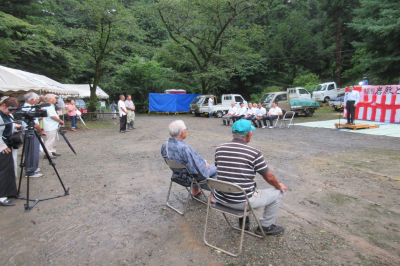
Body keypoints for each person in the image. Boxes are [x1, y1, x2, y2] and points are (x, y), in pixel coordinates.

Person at [214, 119, 287, 235]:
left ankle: (244, 218)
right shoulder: (254, 153)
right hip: (241, 201)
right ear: (249, 134)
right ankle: (265, 227)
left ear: (232, 132)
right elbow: (269, 177)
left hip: (221, 199)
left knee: (241, 186)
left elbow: (220, 168)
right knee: (278, 192)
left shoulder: (219, 148)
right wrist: (279, 186)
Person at [161, 120, 217, 200]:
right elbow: (198, 170)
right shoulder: (184, 148)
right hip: (189, 178)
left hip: (177, 175)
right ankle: (213, 197)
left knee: (190, 168)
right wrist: (205, 166)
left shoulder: (165, 145)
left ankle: (195, 191)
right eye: (186, 129)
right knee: (217, 168)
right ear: (182, 132)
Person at [0, 97, 20, 206]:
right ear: (3, 105)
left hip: (8, 145)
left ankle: (10, 192)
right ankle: (2, 196)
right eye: (10, 110)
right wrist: (2, 146)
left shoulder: (7, 114)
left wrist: (16, 126)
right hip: (2, 147)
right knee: (3, 171)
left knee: (10, 170)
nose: (11, 112)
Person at [22, 92, 43, 178]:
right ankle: (31, 171)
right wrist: (40, 131)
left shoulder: (25, 107)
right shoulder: (28, 108)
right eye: (37, 99)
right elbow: (36, 124)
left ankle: (31, 168)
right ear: (31, 100)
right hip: (31, 131)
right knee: (32, 151)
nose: (38, 101)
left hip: (27, 131)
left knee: (29, 151)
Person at [43, 94, 64, 159]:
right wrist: (60, 120)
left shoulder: (51, 106)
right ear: (50, 99)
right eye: (54, 98)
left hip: (54, 125)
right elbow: (52, 116)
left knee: (54, 139)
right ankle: (48, 153)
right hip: (50, 126)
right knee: (50, 140)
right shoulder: (48, 107)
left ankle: (52, 151)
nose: (56, 99)